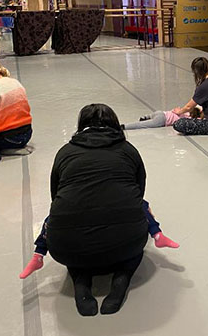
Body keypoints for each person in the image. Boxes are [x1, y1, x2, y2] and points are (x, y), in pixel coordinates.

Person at [43, 104, 166, 316]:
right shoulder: (128, 151)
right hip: (125, 243)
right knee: (134, 245)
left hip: (66, 248)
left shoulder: (65, 153)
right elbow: (139, 193)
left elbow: (55, 197)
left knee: (74, 241)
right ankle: (121, 279)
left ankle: (81, 282)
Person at [19, 201, 180, 280]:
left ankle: (38, 254)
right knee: (140, 204)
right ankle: (157, 234)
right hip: (118, 242)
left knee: (54, 216)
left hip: (78, 244)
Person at [123, 107, 202, 130]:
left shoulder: (184, 112)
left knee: (153, 115)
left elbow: (174, 110)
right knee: (141, 125)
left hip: (161, 113)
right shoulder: (191, 119)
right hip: (162, 120)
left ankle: (147, 116)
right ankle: (124, 126)